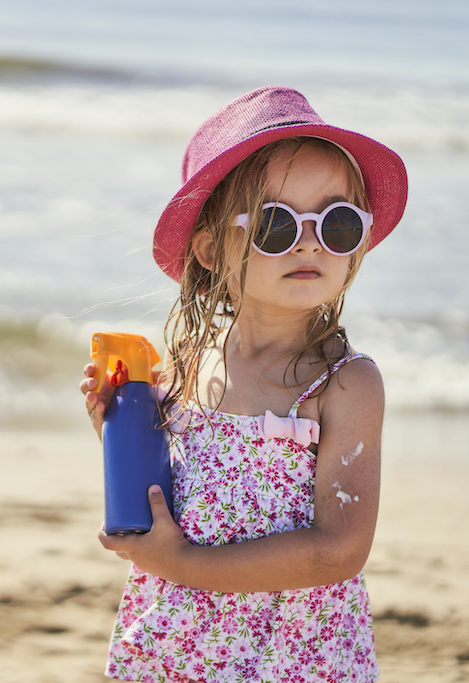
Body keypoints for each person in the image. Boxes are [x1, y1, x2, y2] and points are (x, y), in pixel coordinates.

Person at [80, 86, 408, 683]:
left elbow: (339, 550)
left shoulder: (343, 384)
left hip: (294, 656)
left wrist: (182, 563)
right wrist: (117, 433)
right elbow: (170, 492)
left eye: (336, 222)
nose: (309, 241)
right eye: (275, 224)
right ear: (209, 248)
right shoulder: (184, 364)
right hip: (180, 643)